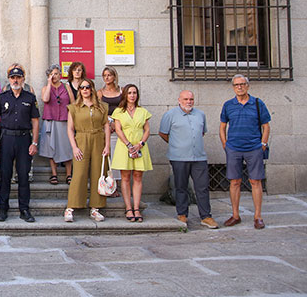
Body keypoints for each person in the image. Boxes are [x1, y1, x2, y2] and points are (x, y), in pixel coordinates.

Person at [159, 90, 218, 229]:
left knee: (202, 187)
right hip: (179, 157)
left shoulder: (200, 115)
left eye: (191, 99)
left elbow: (202, 132)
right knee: (181, 187)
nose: (189, 102)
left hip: (199, 157)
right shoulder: (170, 115)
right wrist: (177, 144)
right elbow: (163, 133)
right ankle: (182, 214)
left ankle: (206, 216)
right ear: (179, 100)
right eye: (185, 99)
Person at [0, 66, 40, 223]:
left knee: (23, 176)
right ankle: (2, 209)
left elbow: (36, 121)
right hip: (7, 139)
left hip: (24, 139)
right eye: (12, 78)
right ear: (9, 79)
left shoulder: (30, 98)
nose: (15, 80)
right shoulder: (2, 97)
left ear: (23, 79)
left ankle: (24, 209)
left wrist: (34, 142)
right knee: (5, 175)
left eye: (18, 77)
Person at [219, 74, 271, 230]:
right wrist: (225, 144)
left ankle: (258, 216)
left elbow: (266, 125)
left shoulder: (257, 103)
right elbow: (222, 127)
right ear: (233, 87)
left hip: (254, 148)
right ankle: (235, 215)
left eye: (242, 84)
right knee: (234, 182)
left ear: (248, 86)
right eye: (236, 85)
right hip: (234, 148)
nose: (239, 87)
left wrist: (263, 143)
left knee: (256, 181)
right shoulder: (228, 105)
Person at [64, 79, 110, 223]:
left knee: (98, 172)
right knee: (79, 173)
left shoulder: (102, 107)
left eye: (87, 87)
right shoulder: (74, 107)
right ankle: (71, 207)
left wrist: (107, 145)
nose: (84, 89)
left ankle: (95, 208)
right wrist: (74, 147)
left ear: (92, 89)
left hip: (98, 139)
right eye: (82, 87)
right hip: (82, 139)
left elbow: (106, 126)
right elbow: (70, 129)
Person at [111, 84, 152, 223]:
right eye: (129, 93)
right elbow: (118, 129)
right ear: (125, 95)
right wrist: (129, 145)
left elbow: (147, 130)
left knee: (138, 176)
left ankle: (136, 208)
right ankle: (128, 207)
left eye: (134, 93)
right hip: (124, 146)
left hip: (139, 146)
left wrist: (140, 144)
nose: (132, 95)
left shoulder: (143, 111)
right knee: (125, 177)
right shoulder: (119, 112)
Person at [38, 64, 73, 185]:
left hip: (64, 121)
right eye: (52, 74)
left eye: (56, 73)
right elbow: (46, 99)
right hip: (50, 121)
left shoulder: (66, 87)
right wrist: (49, 84)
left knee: (67, 147)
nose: (54, 76)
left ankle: (69, 174)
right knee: (50, 148)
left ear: (60, 75)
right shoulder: (45, 88)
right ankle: (54, 174)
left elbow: (73, 103)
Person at [98, 66, 123, 194]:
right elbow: (99, 110)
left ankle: (117, 185)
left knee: (119, 156)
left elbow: (125, 108)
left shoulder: (122, 91)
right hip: (106, 126)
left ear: (114, 76)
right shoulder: (100, 93)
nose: (107, 78)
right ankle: (109, 184)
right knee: (109, 156)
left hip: (120, 125)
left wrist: (116, 121)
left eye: (109, 75)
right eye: (104, 75)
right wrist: (109, 122)